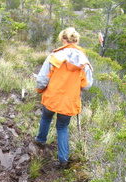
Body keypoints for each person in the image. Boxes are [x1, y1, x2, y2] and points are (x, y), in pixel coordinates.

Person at [35, 27, 93, 168]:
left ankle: (40, 141)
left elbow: (42, 79)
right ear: (76, 41)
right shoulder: (83, 61)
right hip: (69, 102)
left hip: (52, 97)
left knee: (46, 117)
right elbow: (87, 85)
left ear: (63, 40)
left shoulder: (54, 56)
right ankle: (63, 160)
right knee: (62, 127)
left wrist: (40, 89)